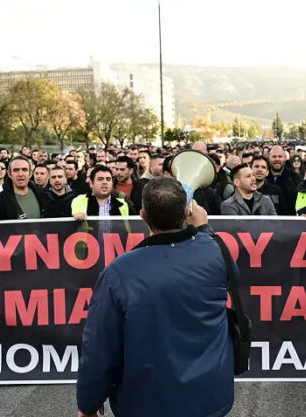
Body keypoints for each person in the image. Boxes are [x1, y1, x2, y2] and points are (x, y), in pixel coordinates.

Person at [77, 178, 235, 417]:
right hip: (209, 399)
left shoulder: (119, 272)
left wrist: (88, 403)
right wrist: (205, 229)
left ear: (142, 215)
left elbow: (100, 348)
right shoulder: (215, 252)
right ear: (186, 212)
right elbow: (231, 272)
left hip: (147, 404)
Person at [0, 156, 54, 220]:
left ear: (30, 173)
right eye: (16, 170)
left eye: (24, 170)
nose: (20, 174)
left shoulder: (43, 196)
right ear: (9, 174)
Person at [267, 146, 300, 215]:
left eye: (280, 156)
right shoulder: (263, 178)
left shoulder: (295, 178)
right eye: (274, 157)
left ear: (285, 158)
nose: (277, 159)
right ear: (269, 158)